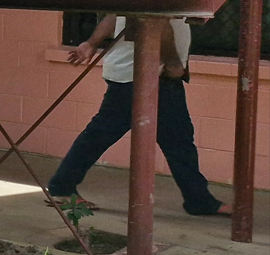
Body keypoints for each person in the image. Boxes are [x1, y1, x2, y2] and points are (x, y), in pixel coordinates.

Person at [48, 14, 228, 216]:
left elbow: (113, 16)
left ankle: (199, 199)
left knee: (175, 140)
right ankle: (61, 187)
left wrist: (91, 43)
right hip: (147, 75)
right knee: (174, 141)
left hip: (138, 74)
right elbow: (160, 23)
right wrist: (174, 63)